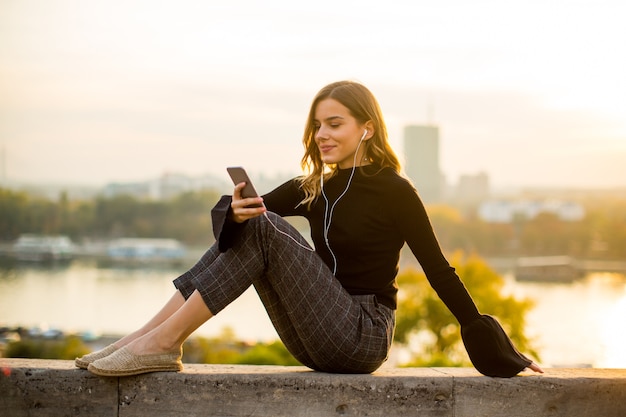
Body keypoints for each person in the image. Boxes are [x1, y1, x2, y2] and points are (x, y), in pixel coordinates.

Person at [76, 80, 543, 378]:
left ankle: (160, 343)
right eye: (317, 125)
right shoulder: (314, 185)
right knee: (253, 221)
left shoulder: (395, 190)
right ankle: (142, 340)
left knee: (263, 227)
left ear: (367, 128)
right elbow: (248, 211)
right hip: (315, 334)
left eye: (334, 123)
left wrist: (501, 351)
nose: (321, 135)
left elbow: (440, 270)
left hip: (362, 334)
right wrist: (235, 210)